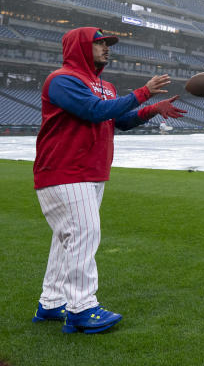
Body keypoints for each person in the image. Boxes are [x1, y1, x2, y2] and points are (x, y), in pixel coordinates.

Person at [31, 27, 186, 333]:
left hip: (90, 172)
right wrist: (143, 92)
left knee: (67, 239)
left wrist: (152, 108)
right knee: (85, 234)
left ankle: (50, 303)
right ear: (80, 47)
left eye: (107, 44)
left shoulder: (107, 86)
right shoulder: (62, 79)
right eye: (99, 43)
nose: (106, 48)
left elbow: (119, 120)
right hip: (65, 171)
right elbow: (93, 111)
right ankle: (82, 309)